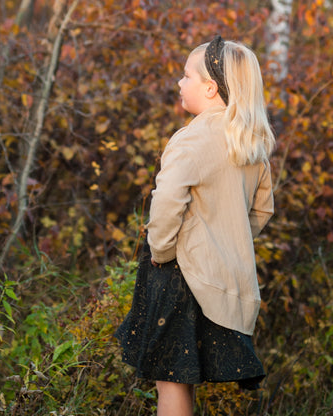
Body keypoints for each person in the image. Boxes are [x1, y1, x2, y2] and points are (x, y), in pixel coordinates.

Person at [114, 35, 275, 416]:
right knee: (184, 375)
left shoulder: (192, 138)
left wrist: (162, 250)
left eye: (186, 76)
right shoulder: (249, 142)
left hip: (178, 276)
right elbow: (262, 210)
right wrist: (224, 242)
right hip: (217, 281)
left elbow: (166, 201)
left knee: (170, 383)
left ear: (210, 87)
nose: (179, 83)